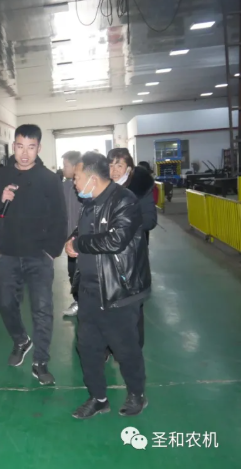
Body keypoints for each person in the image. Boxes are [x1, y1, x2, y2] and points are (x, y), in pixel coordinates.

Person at [66, 152, 151, 419]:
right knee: (87, 347)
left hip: (118, 291)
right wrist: (74, 239)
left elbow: (115, 240)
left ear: (92, 179)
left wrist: (79, 243)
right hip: (90, 291)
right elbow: (85, 232)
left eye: (77, 178)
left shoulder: (124, 200)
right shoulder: (89, 202)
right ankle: (98, 398)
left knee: (125, 349)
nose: (74, 183)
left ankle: (137, 394)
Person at [0, 125, 67, 385]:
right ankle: (21, 340)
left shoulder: (49, 179)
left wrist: (51, 252)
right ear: (13, 147)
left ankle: (41, 362)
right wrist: (1, 197)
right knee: (5, 304)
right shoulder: (2, 174)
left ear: (39, 148)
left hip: (39, 255)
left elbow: (60, 217)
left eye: (31, 147)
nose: (25, 153)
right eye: (20, 147)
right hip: (9, 253)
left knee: (42, 309)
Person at [107, 148, 156, 349]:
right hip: (107, 256)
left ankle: (134, 349)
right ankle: (109, 346)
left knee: (133, 305)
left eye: (119, 165)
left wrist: (123, 225)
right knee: (109, 305)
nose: (114, 171)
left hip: (133, 256)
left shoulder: (140, 189)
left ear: (129, 168)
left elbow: (150, 220)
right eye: (110, 165)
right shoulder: (102, 189)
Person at [61, 151, 82, 317]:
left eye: (66, 165)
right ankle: (78, 301)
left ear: (75, 167)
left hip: (83, 238)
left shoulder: (84, 186)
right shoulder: (65, 186)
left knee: (84, 273)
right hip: (70, 239)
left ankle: (85, 303)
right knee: (72, 272)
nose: (63, 169)